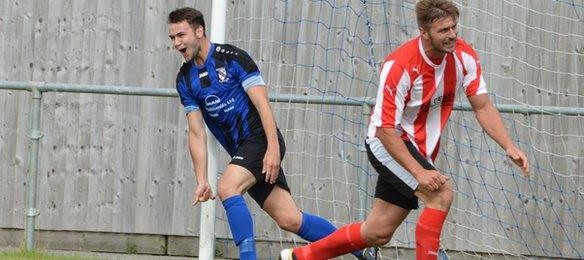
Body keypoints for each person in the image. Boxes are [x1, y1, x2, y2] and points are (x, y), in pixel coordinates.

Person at [279, 0, 530, 259]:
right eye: (444, 30)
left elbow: (483, 106)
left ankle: (298, 257)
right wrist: (419, 171)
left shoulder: (464, 56)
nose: (453, 34)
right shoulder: (400, 66)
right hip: (386, 143)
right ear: (423, 32)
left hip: (417, 149)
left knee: (377, 232)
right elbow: (386, 129)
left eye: (454, 27)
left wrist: (508, 145)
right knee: (440, 194)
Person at [168, 7, 373, 260]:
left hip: (261, 140)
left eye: (181, 35)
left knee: (228, 186)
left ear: (199, 31)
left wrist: (273, 148)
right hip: (243, 151)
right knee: (290, 219)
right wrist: (201, 179)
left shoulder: (233, 58)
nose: (177, 43)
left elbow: (262, 104)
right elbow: (196, 132)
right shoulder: (185, 80)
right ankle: (361, 248)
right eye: (172, 38)